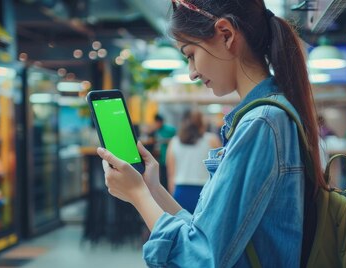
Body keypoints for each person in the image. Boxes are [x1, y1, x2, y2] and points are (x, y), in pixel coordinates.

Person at [95, 0, 327, 266]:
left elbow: (201, 259)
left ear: (226, 35)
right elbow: (206, 236)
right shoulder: (266, 117)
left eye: (191, 54)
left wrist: (138, 196)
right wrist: (152, 188)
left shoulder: (262, 123)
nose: (192, 72)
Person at [166, 109, 221, 214]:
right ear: (201, 123)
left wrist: (173, 197)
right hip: (205, 191)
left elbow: (171, 175)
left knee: (183, 227)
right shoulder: (212, 140)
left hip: (180, 191)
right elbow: (221, 171)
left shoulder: (174, 142)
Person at [150, 114, 176, 187]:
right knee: (163, 177)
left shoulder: (170, 129)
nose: (156, 124)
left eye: (157, 123)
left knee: (170, 176)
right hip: (161, 158)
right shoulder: (157, 131)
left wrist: (167, 141)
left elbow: (177, 139)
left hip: (169, 157)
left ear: (161, 122)